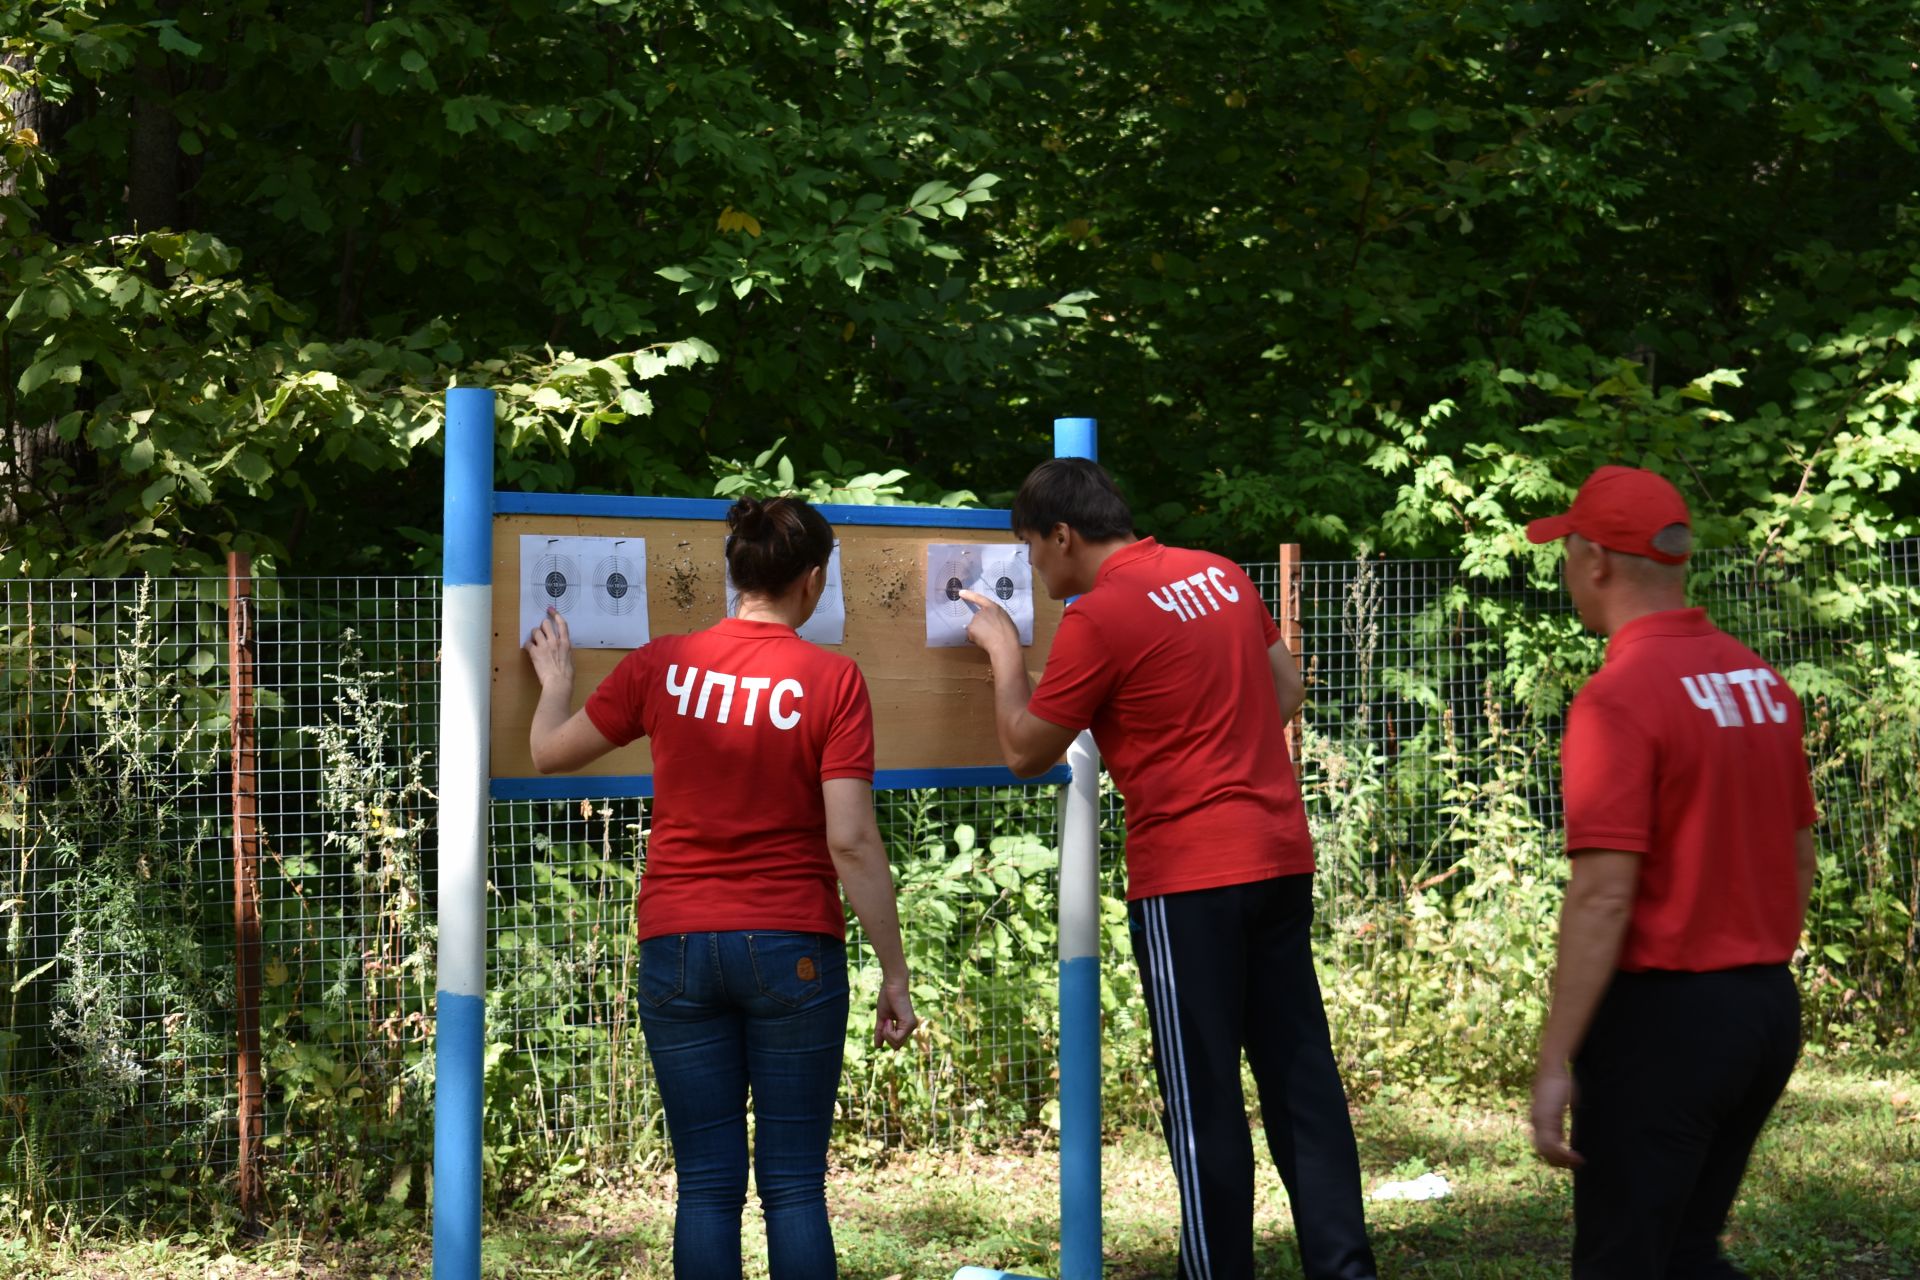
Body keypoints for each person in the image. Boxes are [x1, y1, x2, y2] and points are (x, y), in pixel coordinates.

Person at [957, 458, 1379, 1280]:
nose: (1032, 567)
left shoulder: (1100, 615)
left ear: (1063, 534)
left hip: (1190, 876)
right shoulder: (1217, 574)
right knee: (1302, 1081)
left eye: (1031, 549)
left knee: (1203, 1095)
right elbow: (1285, 687)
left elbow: (1022, 749)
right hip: (1280, 856)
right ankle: (1345, 1268)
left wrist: (1005, 654)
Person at [524, 496, 917, 1280]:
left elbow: (547, 753)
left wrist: (554, 680)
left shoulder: (658, 665)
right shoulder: (833, 679)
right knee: (795, 1188)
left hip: (676, 943)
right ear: (813, 581)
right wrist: (895, 970)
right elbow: (850, 838)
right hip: (792, 945)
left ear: (730, 572)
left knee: (705, 1190)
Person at [1525, 466, 1818, 1277]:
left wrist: (1555, 1060)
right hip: (1761, 1011)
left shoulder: (1619, 697)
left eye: (1566, 552)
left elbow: (1602, 895)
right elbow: (1799, 855)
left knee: (1625, 1260)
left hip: (1663, 1025)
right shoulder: (1761, 683)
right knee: (1685, 1251)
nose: (1566, 572)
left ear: (1596, 562)